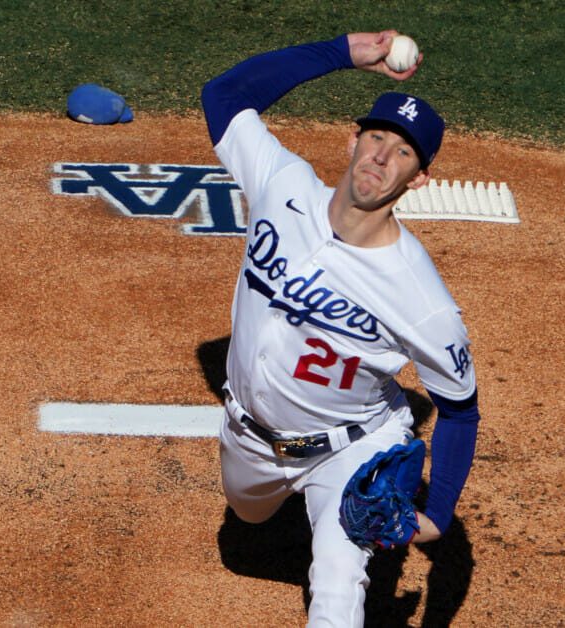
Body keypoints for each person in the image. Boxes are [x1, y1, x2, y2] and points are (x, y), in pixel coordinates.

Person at [201, 30, 481, 627]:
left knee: (337, 583)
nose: (381, 157)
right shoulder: (283, 185)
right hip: (249, 437)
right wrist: (343, 52)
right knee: (246, 527)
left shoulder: (421, 297)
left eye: (402, 152)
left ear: (418, 179)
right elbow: (223, 95)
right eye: (376, 137)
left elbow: (460, 410)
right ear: (352, 141)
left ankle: (335, 530)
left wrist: (439, 514)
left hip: (351, 449)